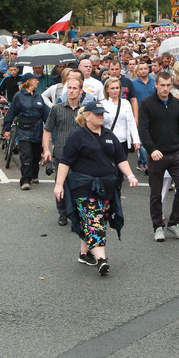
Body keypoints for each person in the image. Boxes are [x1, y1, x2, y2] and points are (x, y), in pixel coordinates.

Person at [54, 101, 138, 276]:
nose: (101, 116)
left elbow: (121, 158)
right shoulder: (77, 136)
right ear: (87, 117)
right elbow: (65, 162)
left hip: (106, 187)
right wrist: (59, 185)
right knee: (94, 220)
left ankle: (85, 254)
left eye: (102, 113)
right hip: (83, 187)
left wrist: (130, 175)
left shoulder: (109, 135)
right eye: (97, 113)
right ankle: (101, 259)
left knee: (97, 218)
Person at [138, 72, 179, 242]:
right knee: (156, 194)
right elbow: (143, 130)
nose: (165, 88)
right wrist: (151, 149)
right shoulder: (146, 104)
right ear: (156, 85)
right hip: (156, 155)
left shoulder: (176, 103)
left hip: (176, 152)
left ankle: (174, 223)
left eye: (168, 85)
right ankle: (158, 226)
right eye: (162, 85)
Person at [42, 77, 86, 226]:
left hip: (80, 156)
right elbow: (47, 130)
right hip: (61, 153)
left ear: (80, 91)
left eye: (75, 88)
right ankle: (62, 213)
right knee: (60, 184)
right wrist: (46, 150)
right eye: (69, 88)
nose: (71, 91)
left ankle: (77, 213)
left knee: (79, 186)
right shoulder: (57, 108)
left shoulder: (85, 111)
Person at [3, 73, 50, 190]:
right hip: (24, 130)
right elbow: (11, 112)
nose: (38, 82)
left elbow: (45, 114)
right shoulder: (19, 96)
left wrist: (51, 125)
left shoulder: (39, 96)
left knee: (35, 155)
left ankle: (34, 175)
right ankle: (25, 180)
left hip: (37, 130)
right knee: (26, 155)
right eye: (35, 80)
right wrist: (7, 129)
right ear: (28, 82)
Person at [102, 77, 141, 155]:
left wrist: (136, 140)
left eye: (117, 88)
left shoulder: (126, 103)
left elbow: (131, 122)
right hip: (108, 141)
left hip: (123, 142)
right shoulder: (103, 104)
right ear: (107, 89)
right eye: (112, 88)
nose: (115, 90)